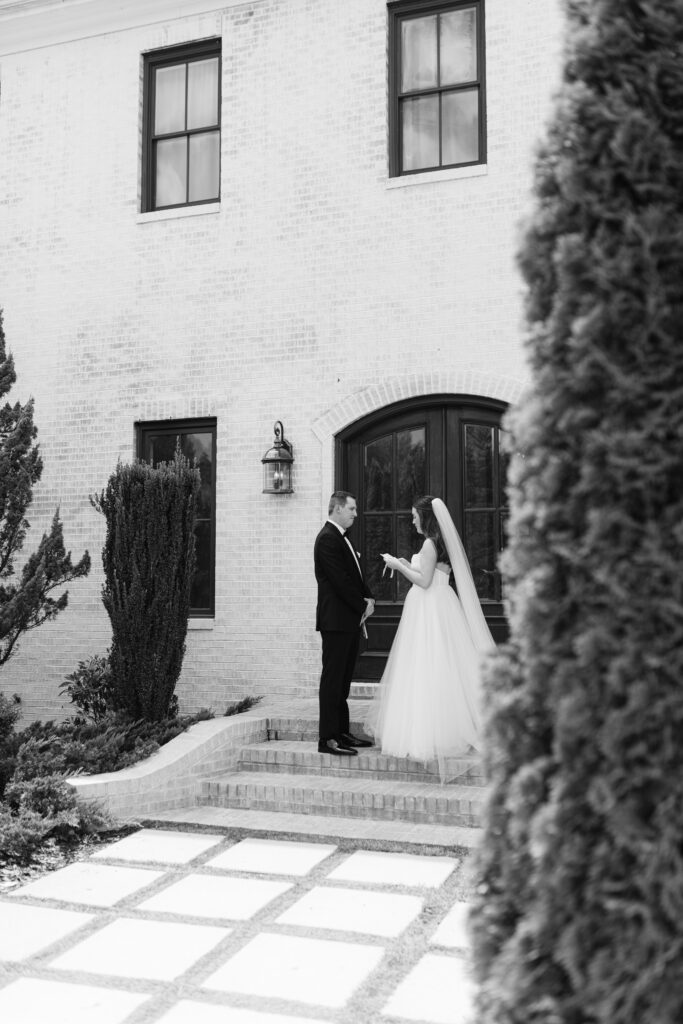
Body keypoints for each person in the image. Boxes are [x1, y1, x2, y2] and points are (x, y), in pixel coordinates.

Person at [363, 495, 495, 777]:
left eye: (414, 515)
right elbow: (431, 575)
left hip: (429, 607)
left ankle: (427, 735)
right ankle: (448, 728)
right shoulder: (440, 543)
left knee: (427, 665)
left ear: (426, 516)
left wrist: (399, 567)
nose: (412, 520)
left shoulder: (428, 543)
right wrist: (406, 563)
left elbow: (423, 582)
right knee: (442, 665)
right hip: (440, 602)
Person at [315, 490, 375, 756]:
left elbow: (355, 577)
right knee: (332, 680)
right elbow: (340, 581)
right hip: (336, 622)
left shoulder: (343, 539)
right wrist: (362, 605)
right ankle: (327, 738)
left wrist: (369, 596)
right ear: (337, 509)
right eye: (351, 508)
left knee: (343, 682)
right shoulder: (327, 539)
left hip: (348, 621)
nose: (355, 513)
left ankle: (342, 732)